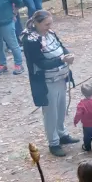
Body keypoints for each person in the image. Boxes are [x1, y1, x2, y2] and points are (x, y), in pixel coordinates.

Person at [21, 10, 80, 157]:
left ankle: (62, 134)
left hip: (60, 77)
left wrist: (67, 54)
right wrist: (61, 60)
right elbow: (40, 62)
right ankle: (53, 143)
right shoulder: (30, 40)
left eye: (50, 23)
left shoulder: (50, 33)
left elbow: (61, 46)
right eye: (46, 24)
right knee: (50, 113)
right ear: (37, 23)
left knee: (61, 108)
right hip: (46, 82)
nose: (49, 26)